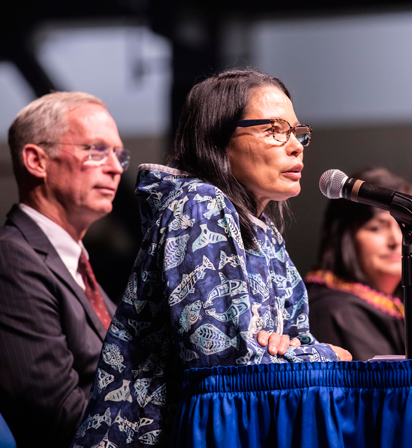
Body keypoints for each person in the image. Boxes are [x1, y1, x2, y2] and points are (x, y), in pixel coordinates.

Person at [71, 69, 351, 447]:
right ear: (219, 139)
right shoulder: (198, 205)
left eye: (298, 132)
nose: (296, 146)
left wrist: (293, 350)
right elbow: (224, 363)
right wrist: (330, 354)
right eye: (274, 130)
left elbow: (293, 342)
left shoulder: (264, 231)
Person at [0, 92, 128, 447]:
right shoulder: (7, 264)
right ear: (36, 161)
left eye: (119, 154)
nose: (116, 167)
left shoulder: (76, 267)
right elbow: (62, 423)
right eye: (96, 150)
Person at [306, 167, 412, 361]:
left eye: (406, 227)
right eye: (377, 227)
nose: (397, 240)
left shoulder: (398, 308)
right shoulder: (336, 310)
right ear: (346, 237)